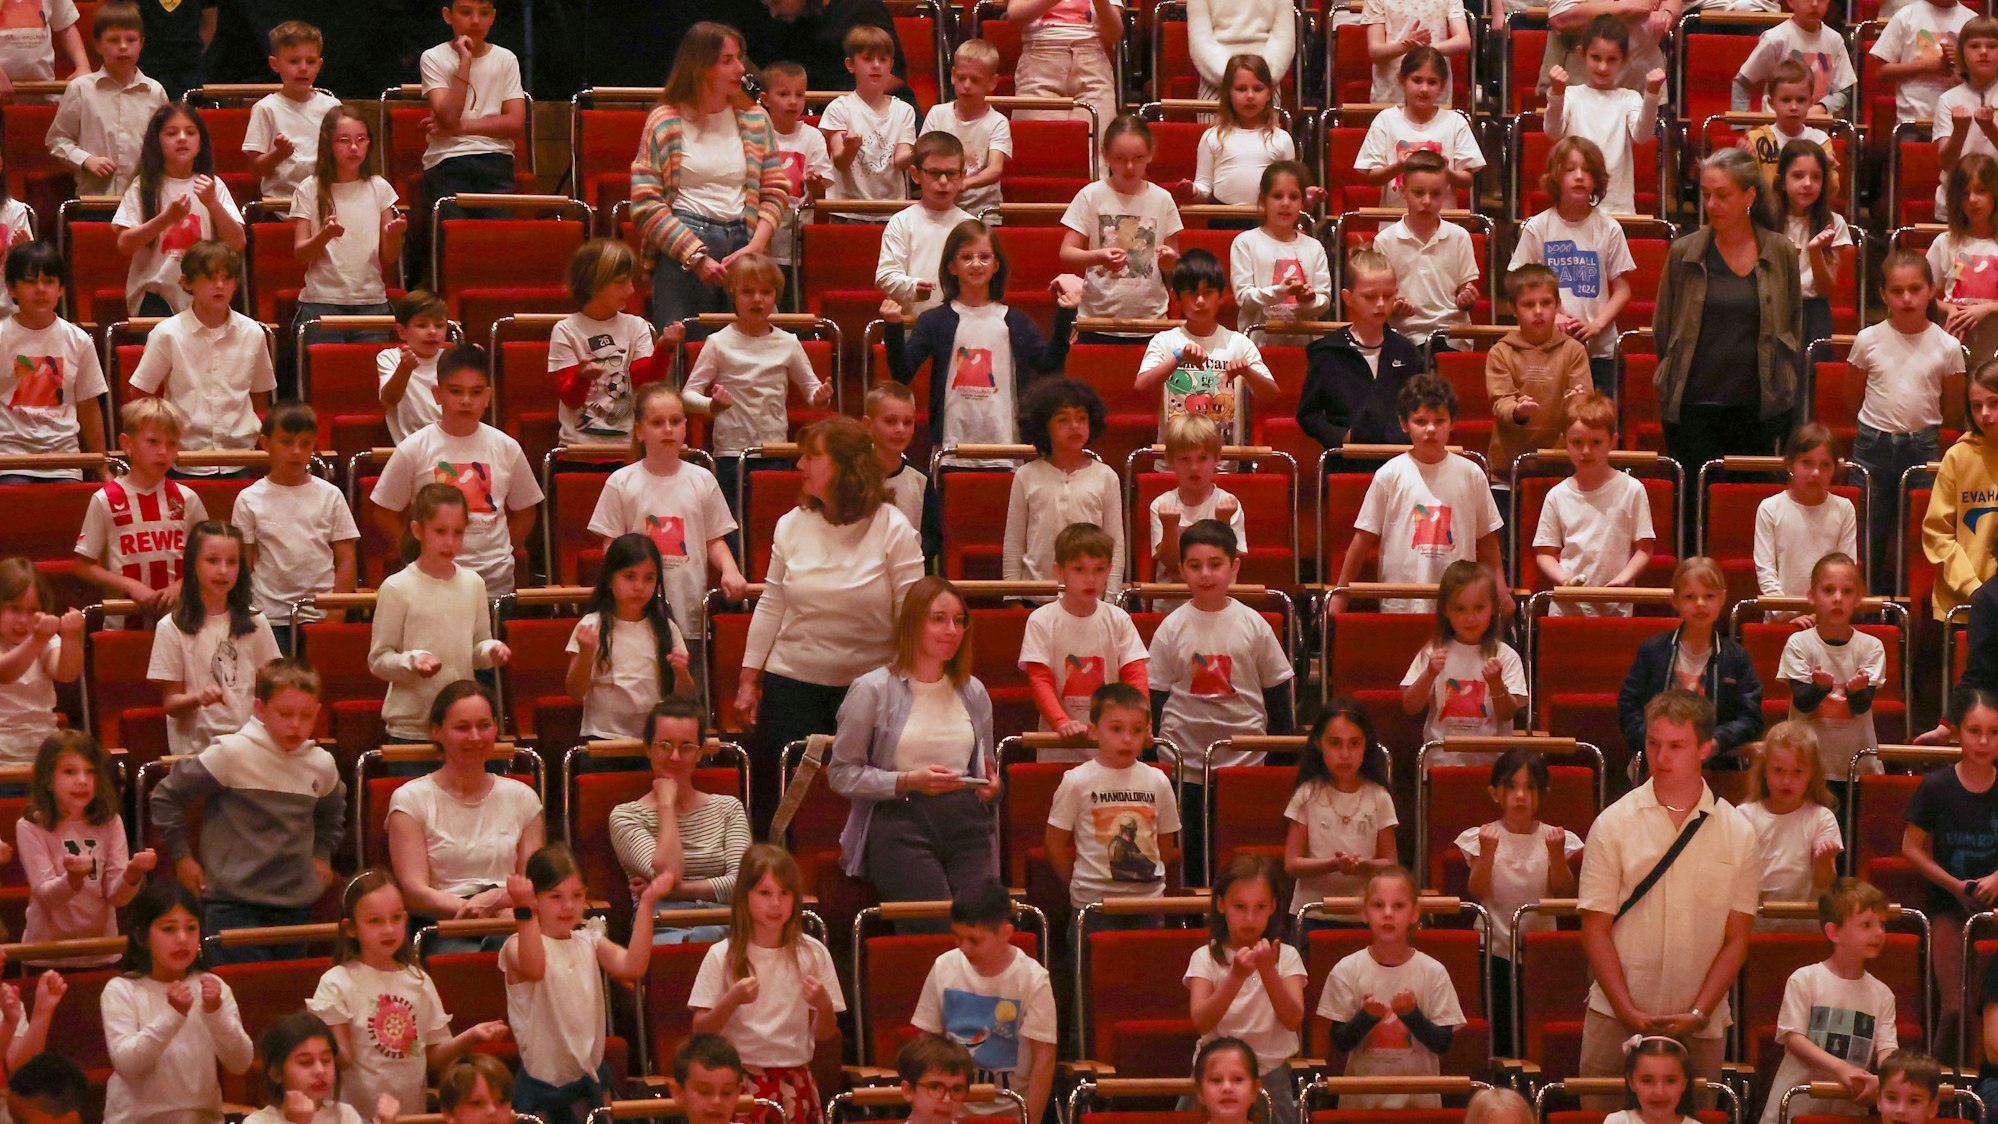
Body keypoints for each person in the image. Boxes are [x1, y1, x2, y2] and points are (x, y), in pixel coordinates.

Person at [736, 415, 924, 825]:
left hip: (870, 692)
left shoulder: (895, 528)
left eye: (811, 456)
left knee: (866, 814)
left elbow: (914, 620)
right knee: (787, 811)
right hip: (792, 686)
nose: (799, 465)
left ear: (844, 465)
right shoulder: (791, 524)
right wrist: (749, 680)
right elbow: (772, 603)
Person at [1575, 690, 1762, 1089]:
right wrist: (1626, 1010)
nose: (1661, 758)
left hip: (1701, 1024)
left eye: (1676, 746)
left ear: (1705, 749)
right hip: (1614, 1017)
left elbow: (1736, 940)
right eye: (1653, 744)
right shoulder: (1612, 824)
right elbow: (1594, 928)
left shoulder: (1739, 832)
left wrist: (1699, 1012)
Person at [827, 576, 1002, 910]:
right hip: (899, 820)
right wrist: (907, 780)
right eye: (939, 619)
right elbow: (842, 773)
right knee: (936, 924)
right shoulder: (873, 689)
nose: (952, 630)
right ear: (913, 624)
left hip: (967, 822)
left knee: (982, 923)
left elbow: (985, 769)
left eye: (959, 621)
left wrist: (992, 787)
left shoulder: (974, 691)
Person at [151, 659, 342, 961]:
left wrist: (322, 854)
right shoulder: (231, 753)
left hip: (295, 906)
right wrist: (181, 856)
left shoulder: (322, 764)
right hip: (233, 905)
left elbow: (332, 815)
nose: (296, 725)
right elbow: (165, 796)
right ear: (260, 709)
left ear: (318, 712)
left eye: (306, 716)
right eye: (285, 714)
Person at [1149, 519, 1294, 869]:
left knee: (1241, 856)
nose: (1206, 575)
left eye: (1216, 564)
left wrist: (1279, 756)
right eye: (1195, 566)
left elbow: (1278, 693)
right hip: (1185, 764)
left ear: (1234, 567)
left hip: (1245, 762)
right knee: (1192, 857)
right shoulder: (1171, 627)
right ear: (1181, 569)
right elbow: (1154, 697)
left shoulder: (1254, 624)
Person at [308, 870, 508, 1114]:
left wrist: (472, 1036)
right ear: (351, 928)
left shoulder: (418, 980)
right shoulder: (337, 982)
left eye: (396, 918)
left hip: (409, 1115)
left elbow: (432, 1055)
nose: (389, 929)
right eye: (375, 921)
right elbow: (343, 1058)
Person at [630, 21, 788, 331]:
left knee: (753, 349)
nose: (740, 69)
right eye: (728, 60)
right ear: (700, 67)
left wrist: (756, 244)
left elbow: (775, 190)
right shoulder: (664, 120)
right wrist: (695, 257)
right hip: (685, 245)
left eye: (739, 58)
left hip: (744, 243)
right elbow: (645, 203)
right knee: (683, 354)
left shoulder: (756, 119)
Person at [1654, 148, 1802, 470]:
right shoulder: (1684, 252)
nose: (1711, 205)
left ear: (1749, 196)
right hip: (1694, 405)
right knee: (1696, 506)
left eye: (1722, 195)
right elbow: (1664, 329)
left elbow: (1791, 325)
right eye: (1706, 195)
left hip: (1759, 407)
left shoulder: (1781, 252)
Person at [504, 845, 671, 1124]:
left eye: (577, 895)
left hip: (588, 1079)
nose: (568, 906)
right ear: (535, 899)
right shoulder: (516, 946)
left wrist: (648, 904)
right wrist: (523, 909)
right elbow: (535, 967)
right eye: (555, 897)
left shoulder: (589, 940)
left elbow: (633, 965)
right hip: (543, 1086)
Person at [884, 220, 1077, 454]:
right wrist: (893, 328)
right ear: (952, 267)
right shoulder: (934, 321)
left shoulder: (1016, 321)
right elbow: (902, 373)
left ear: (996, 265)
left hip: (1008, 445)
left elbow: (1050, 367)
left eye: (984, 257)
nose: (976, 264)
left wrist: (1065, 317)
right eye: (966, 257)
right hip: (951, 446)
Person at [368, 343, 543, 597]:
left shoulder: (507, 447)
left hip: (494, 585)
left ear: (488, 396)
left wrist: (504, 550)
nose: (465, 401)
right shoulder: (414, 448)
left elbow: (526, 511)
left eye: (475, 392)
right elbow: (384, 512)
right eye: (455, 391)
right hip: (431, 584)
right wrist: (415, 552)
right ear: (437, 394)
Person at [1327, 374, 1509, 618]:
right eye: (1421, 421)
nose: (1431, 429)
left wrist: (1500, 586)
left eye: (1439, 420)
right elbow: (1363, 537)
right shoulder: (1390, 474)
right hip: (1401, 597)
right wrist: (1342, 591)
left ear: (1452, 422)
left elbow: (1487, 538)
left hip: (1458, 600)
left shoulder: (1471, 473)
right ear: (1404, 424)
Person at [688, 844, 845, 1124]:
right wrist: (731, 1000)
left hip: (795, 1078)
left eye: (785, 893)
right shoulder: (722, 955)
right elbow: (701, 1030)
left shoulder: (812, 953)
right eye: (765, 893)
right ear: (744, 898)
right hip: (739, 1080)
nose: (776, 904)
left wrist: (823, 1006)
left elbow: (825, 1034)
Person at [681, 254, 831, 520]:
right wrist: (711, 406)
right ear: (733, 294)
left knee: (770, 523)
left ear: (776, 296)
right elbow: (688, 395)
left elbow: (812, 389)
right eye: (748, 292)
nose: (757, 299)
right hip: (730, 453)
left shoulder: (788, 342)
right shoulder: (718, 342)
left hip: (774, 450)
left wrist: (819, 397)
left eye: (766, 292)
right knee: (733, 524)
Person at [385, 682, 544, 929]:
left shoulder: (523, 797)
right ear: (436, 732)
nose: (475, 737)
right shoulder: (410, 799)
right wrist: (476, 909)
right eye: (462, 727)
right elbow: (414, 891)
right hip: (444, 924)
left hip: (510, 918)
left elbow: (531, 881)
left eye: (484, 726)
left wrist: (494, 903)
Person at [1456, 748, 1582, 1056]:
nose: (1520, 796)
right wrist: (1486, 853)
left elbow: (1564, 891)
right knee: (1498, 1025)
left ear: (1543, 794)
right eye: (1511, 787)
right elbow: (1477, 889)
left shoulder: (1556, 837)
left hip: (1541, 949)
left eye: (1530, 788)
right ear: (1495, 793)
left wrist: (1555, 854)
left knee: (1535, 1026)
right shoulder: (1480, 836)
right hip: (1494, 946)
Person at [366, 484, 511, 742]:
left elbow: (476, 649)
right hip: (411, 726)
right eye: (440, 531)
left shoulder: (473, 583)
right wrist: (411, 661)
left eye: (458, 532)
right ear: (417, 530)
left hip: (460, 726)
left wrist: (490, 651)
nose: (450, 542)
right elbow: (378, 660)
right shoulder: (397, 587)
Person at [100, 881, 252, 1123]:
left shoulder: (212, 986)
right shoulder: (122, 990)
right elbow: (127, 1064)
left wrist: (216, 1013)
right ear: (142, 937)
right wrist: (173, 1015)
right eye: (168, 929)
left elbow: (240, 1062)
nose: (182, 938)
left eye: (191, 928)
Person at [1852, 252, 1962, 587]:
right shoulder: (1868, 339)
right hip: (1873, 446)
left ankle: (1914, 611)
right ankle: (1866, 606)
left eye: (1915, 288)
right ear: (1883, 294)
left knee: (1920, 535)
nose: (1907, 298)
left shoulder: (1947, 346)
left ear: (1931, 290)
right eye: (1897, 291)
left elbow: (1954, 407)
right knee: (1868, 532)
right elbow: (1851, 397)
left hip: (1922, 447)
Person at [910, 881, 1059, 1123]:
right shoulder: (944, 967)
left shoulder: (1033, 979)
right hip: (948, 1113)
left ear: (1005, 933)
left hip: (1008, 1114)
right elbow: (925, 1045)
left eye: (974, 940)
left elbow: (1045, 1060)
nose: (964, 949)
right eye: (957, 938)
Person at [1319, 866, 1466, 1109]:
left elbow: (1442, 1043)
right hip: (1362, 1105)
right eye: (1378, 905)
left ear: (1414, 913)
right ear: (1365, 912)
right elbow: (1340, 1042)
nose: (1388, 914)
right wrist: (1366, 1017)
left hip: (1419, 1106)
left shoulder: (1433, 972)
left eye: (1398, 906)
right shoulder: (1346, 970)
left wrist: (1411, 1015)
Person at [1903, 686, 1998, 1057]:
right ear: (1958, 732)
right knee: (1955, 1006)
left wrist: (1995, 879)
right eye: (1975, 731)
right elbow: (1909, 848)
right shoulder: (1936, 786)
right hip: (1949, 904)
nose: (1984, 741)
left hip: (1994, 904)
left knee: (1988, 1005)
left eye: (1993, 732)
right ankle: (1937, 1086)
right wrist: (1955, 885)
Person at [607, 698, 752, 941]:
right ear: (648, 748)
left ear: (699, 753)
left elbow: (742, 883)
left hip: (726, 922)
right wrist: (665, 805)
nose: (674, 757)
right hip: (661, 923)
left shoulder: (728, 808)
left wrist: (675, 891)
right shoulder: (626, 816)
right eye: (664, 745)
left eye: (686, 747)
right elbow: (670, 873)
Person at [126, 241, 274, 475]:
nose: (219, 285)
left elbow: (260, 398)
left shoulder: (253, 333)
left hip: (240, 458)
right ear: (187, 283)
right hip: (182, 459)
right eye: (209, 278)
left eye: (227, 278)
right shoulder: (167, 333)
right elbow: (140, 395)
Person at [1762, 879, 1899, 1122]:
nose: (1879, 933)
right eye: (1866, 924)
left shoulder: (1882, 994)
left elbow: (1888, 1049)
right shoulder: (1805, 979)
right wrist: (1840, 1068)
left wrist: (1884, 1079)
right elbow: (1794, 1039)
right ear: (1833, 932)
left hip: (1846, 1111)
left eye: (1882, 924)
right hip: (1795, 1107)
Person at [1186, 855, 1306, 1124]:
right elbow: (1201, 1021)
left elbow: (1293, 1019)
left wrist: (1267, 970)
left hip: (1271, 1074)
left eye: (1260, 906)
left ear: (1273, 907)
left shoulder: (1286, 957)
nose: (1250, 918)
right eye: (1240, 906)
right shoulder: (1204, 958)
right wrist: (1236, 976)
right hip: (1216, 1076)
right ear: (1220, 904)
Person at [1509, 137, 1635, 392]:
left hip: (1600, 350)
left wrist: (1596, 325)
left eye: (1587, 170)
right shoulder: (1538, 227)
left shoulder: (1609, 228)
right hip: (1547, 345)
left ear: (1597, 179)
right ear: (1556, 177)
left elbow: (1623, 289)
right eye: (1570, 169)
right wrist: (1553, 315)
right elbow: (1516, 281)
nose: (1579, 177)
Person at [233, 403, 359, 656]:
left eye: (305, 443)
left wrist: (337, 612)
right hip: (268, 615)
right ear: (266, 444)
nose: (296, 451)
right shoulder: (249, 498)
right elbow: (244, 563)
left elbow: (346, 558)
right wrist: (246, 613)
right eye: (286, 442)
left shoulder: (331, 495)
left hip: (319, 612)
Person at [1617, 558, 1765, 773]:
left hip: (1717, 766)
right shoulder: (1653, 650)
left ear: (1722, 598)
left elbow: (1751, 718)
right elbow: (1629, 708)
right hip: (1659, 764)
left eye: (1709, 596)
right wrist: (1656, 743)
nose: (1700, 604)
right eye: (1689, 597)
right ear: (1675, 600)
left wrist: (1715, 743)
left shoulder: (1736, 657)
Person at [147, 522, 280, 757]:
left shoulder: (257, 622)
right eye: (212, 560)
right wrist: (198, 698)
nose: (222, 571)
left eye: (232, 562)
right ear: (193, 564)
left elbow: (271, 687)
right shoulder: (171, 627)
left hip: (251, 749)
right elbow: (171, 704)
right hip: (197, 753)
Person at [1047, 681, 1180, 910]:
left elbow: (1166, 844)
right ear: (1095, 731)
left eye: (1137, 730)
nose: (1127, 739)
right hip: (1093, 904)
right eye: (1117, 729)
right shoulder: (1077, 781)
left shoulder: (1158, 780)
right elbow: (1054, 844)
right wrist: (1080, 885)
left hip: (1149, 902)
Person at [17, 730, 151, 951]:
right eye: (69, 772)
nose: (82, 781)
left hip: (103, 950)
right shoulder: (30, 826)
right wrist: (73, 879)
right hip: (47, 951)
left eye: (90, 772)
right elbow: (47, 897)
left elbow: (117, 898)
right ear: (48, 781)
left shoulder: (110, 821)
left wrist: (132, 875)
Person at [72, 398, 207, 613]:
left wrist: (180, 586)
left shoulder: (187, 498)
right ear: (127, 444)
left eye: (172, 443)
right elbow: (83, 566)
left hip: (180, 618)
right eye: (153, 441)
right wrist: (128, 585)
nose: (163, 451)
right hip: (123, 618)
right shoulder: (105, 499)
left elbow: (207, 558)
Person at [1136, 249, 1279, 449]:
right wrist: (1178, 357)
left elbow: (1272, 393)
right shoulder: (1164, 341)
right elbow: (1141, 386)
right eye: (1192, 293)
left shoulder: (1239, 343)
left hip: (1225, 462)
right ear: (1176, 297)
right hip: (1172, 462)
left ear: (1221, 296)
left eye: (1208, 293)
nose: (1200, 301)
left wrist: (1247, 372)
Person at [1059, 115, 1184, 342]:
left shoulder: (1162, 199)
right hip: (1097, 320)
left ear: (1150, 154)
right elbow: (1067, 252)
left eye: (1138, 158)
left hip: (1151, 321)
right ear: (1105, 155)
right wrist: (1098, 256)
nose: (1129, 166)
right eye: (1120, 158)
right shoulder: (1091, 195)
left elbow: (1174, 264)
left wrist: (1170, 262)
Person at [1019, 523, 1146, 746]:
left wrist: (1142, 723)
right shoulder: (1041, 620)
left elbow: (1135, 676)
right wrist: (1061, 722)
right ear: (1059, 571)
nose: (1090, 579)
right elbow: (1040, 679)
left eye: (1099, 569)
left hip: (1113, 744)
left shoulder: (1119, 619)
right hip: (1058, 744)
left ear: (1109, 570)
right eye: (1079, 569)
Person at [112, 104, 244, 317]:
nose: (182, 138)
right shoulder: (143, 186)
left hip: (205, 292)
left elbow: (238, 242)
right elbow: (124, 244)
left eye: (190, 132)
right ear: (157, 141)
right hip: (156, 295)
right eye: (172, 133)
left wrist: (212, 203)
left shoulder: (213, 185)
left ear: (201, 142)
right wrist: (166, 219)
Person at [1531, 393, 1657, 614]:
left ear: (1612, 442)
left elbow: (1644, 550)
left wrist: (1622, 580)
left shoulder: (1632, 489)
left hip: (1615, 606)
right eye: (1577, 442)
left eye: (1595, 442)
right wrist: (1566, 581)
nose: (1586, 451)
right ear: (1565, 442)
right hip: (1567, 609)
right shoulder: (1557, 495)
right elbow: (1545, 553)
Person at [565, 534, 695, 741]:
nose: (639, 587)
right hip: (601, 737)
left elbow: (685, 697)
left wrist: (681, 673)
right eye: (629, 576)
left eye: (649, 578)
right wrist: (586, 655)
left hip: (654, 740)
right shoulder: (590, 625)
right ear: (609, 579)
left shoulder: (667, 628)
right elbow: (574, 692)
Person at [289, 107, 403, 339]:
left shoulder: (379, 187)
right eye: (344, 140)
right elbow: (300, 253)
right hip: (321, 303)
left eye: (361, 139)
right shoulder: (310, 187)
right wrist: (325, 235)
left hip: (371, 303)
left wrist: (394, 234)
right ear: (328, 144)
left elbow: (390, 256)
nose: (354, 147)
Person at [1298, 249, 1427, 449]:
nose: (1381, 304)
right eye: (1370, 297)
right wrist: (1341, 437)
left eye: (1388, 295)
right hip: (1346, 463)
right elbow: (1308, 415)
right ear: (1348, 298)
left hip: (1399, 461)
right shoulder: (1328, 353)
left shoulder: (1406, 351)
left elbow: (1422, 407)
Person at [1285, 700, 1397, 931]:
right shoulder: (1306, 794)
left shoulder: (1379, 797)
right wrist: (1333, 865)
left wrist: (1363, 866)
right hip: (1313, 912)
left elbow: (1390, 864)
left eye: (1354, 744)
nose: (1345, 754)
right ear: (1318, 743)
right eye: (1335, 743)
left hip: (1365, 914)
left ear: (1366, 745)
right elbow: (1292, 863)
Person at [1399, 559, 1528, 761]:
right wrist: (1429, 673)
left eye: (1478, 608)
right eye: (1460, 609)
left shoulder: (1505, 655)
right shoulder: (1433, 651)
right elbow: (1410, 706)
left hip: (1492, 765)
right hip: (1441, 763)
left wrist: (1496, 684)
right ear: (1445, 610)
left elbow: (1508, 713)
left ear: (1493, 608)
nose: (1470, 618)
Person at [1004, 380, 1124, 590]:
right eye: (1063, 420)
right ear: (1043, 426)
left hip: (1091, 595)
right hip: (1037, 594)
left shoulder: (1106, 476)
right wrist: (1013, 595)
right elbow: (1014, 542)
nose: (1075, 426)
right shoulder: (1026, 475)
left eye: (1082, 418)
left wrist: (1112, 596)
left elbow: (1116, 544)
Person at [1779, 552, 1887, 781]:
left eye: (1847, 591)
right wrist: (1819, 687)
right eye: (1828, 590)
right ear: (1811, 596)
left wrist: (1856, 691)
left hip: (1856, 767)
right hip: (1806, 768)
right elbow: (1803, 702)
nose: (1838, 598)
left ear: (1858, 598)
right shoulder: (1799, 643)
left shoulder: (1871, 647)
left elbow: (1861, 706)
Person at [0, 243, 106, 475]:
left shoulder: (79, 340)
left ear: (61, 289)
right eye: (30, 281)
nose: (40, 289)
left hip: (64, 462)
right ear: (11, 288)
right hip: (9, 463)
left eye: (49, 281)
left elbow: (89, 406)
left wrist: (102, 466)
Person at [44, 0, 166, 198]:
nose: (123, 46)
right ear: (98, 45)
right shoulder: (81, 89)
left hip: (141, 200)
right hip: (94, 198)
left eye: (131, 39)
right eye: (113, 40)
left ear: (141, 43)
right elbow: (57, 140)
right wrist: (86, 160)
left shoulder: (155, 92)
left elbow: (163, 143)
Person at [1545, 16, 1665, 217]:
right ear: (1582, 54)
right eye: (1596, 58)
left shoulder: (1629, 98)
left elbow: (1642, 135)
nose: (1602, 67)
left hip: (1618, 207)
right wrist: (1556, 94)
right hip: (1576, 207)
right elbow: (1552, 131)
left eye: (1611, 60)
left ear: (1624, 60)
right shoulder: (1572, 96)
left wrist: (1652, 94)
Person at [552, 241, 666, 449]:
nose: (631, 290)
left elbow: (645, 386)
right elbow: (571, 399)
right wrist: (582, 377)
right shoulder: (565, 330)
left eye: (631, 281)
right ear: (593, 283)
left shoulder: (638, 326)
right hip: (578, 449)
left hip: (628, 448)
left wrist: (664, 349)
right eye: (621, 282)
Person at [419, 0, 527, 214]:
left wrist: (459, 128)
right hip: (448, 159)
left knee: (496, 240)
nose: (476, 21)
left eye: (484, 13)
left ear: (493, 17)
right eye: (466, 13)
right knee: (453, 238)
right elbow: (449, 116)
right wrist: (465, 62)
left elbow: (515, 123)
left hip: (495, 158)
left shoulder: (506, 59)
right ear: (448, 15)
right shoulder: (433, 57)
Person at [1489, 266, 1594, 483]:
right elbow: (1501, 401)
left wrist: (1574, 403)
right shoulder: (1501, 351)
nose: (1538, 311)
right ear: (1513, 309)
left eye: (1546, 303)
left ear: (1557, 305)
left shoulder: (1573, 350)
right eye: (1528, 304)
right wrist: (1517, 411)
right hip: (1508, 467)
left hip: (1561, 464)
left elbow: (1585, 402)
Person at [1356, 50, 1484, 210]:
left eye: (1432, 82)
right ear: (1402, 80)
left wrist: (1445, 172)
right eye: (1417, 80)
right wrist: (1400, 166)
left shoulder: (1456, 122)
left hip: (1443, 223)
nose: (1424, 89)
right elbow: (1372, 178)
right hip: (1395, 222)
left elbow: (1467, 181)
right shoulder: (1385, 120)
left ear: (1442, 85)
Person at [1377, 152, 1479, 351]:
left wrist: (1466, 299)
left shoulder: (1460, 236)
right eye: (1418, 192)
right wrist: (1393, 306)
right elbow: (1380, 298)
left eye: (1435, 194)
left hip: (1451, 336)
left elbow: (1465, 292)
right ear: (1402, 191)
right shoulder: (1385, 240)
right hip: (1403, 336)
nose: (1426, 201)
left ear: (1445, 193)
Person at [1740, 723, 1844, 916]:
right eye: (1778, 770)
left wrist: (1823, 861)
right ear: (1764, 770)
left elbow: (1824, 882)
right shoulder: (1745, 815)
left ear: (1812, 774)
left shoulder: (1821, 817)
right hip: (1757, 925)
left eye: (1797, 772)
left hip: (1804, 925)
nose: (1786, 781)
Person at [1923, 359, 1998, 621]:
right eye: (1977, 406)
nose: (1985, 414)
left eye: (1994, 403)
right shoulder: (1957, 457)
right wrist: (1975, 590)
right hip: (1965, 602)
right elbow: (1937, 534)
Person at [823, 25, 920, 222]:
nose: (876, 65)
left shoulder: (904, 111)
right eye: (868, 59)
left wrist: (921, 152)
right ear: (850, 65)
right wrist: (851, 148)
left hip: (891, 212)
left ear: (891, 65)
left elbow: (900, 160)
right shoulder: (839, 108)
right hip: (846, 212)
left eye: (883, 60)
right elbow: (840, 163)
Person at [1756, 425, 1859, 606]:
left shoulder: (1844, 509)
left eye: (1825, 465)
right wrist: (1786, 610)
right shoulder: (1769, 508)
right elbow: (1766, 571)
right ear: (1790, 464)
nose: (1816, 473)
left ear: (1835, 468)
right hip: (1781, 615)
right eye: (1807, 463)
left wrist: (1823, 611)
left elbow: (1845, 569)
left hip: (1829, 613)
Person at [877, 131, 975, 319]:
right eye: (934, 173)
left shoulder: (970, 225)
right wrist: (913, 287)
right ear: (915, 174)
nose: (943, 181)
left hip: (960, 327)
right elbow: (885, 276)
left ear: (962, 175)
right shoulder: (901, 222)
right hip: (911, 327)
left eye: (951, 173)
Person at [1231, 161, 1332, 342]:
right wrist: (1281, 291)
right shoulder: (1245, 242)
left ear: (1302, 202)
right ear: (1263, 200)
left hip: (1304, 347)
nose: (1286, 203)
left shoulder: (1314, 247)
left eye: (1293, 197)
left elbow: (1323, 302)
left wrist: (1309, 299)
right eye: (1277, 196)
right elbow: (1244, 298)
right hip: (1258, 347)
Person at [1180, 55, 1297, 209]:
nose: (1250, 96)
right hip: (1222, 218)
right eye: (1241, 89)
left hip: (1267, 219)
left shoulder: (1282, 139)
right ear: (1228, 93)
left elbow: (1288, 188)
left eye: (1258, 89)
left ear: (1269, 93)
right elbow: (1205, 186)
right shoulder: (1213, 136)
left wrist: (1306, 195)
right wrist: (1193, 190)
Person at [240, 1011, 398, 1124]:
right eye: (305, 1062)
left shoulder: (345, 1115)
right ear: (276, 1073)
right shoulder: (257, 1122)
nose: (320, 1071)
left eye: (326, 1060)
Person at [242, 21, 340, 199]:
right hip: (280, 205)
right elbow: (256, 168)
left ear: (319, 65)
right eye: (294, 61)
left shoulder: (332, 107)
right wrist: (279, 154)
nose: (303, 68)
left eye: (310, 61)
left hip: (325, 204)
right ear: (275, 64)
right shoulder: (266, 108)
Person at [1148, 414, 1245, 585]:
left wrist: (1223, 522)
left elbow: (1227, 560)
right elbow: (1170, 561)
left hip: (1217, 599)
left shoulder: (1229, 503)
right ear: (1170, 460)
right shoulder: (1161, 505)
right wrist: (1170, 527)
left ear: (1217, 458)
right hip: (1172, 604)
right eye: (1184, 459)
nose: (1194, 467)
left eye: (1202, 458)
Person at [0, 566, 82, 765]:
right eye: (15, 608)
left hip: (42, 755)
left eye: (33, 610)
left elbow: (66, 673)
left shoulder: (44, 638)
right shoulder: (38, 638)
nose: (23, 620)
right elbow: (5, 673)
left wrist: (71, 636)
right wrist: (37, 640)